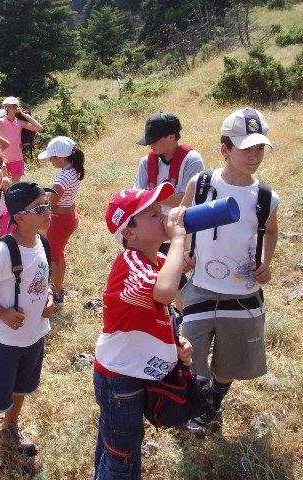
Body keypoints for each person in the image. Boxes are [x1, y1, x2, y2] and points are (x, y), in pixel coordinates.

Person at [179, 108, 280, 437]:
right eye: (246, 148)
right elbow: (182, 222)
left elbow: (271, 231)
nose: (254, 157)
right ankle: (198, 394)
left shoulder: (265, 197)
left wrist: (266, 261)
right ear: (225, 149)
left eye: (260, 149)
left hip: (243, 292)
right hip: (201, 288)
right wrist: (184, 250)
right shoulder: (203, 184)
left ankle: (212, 404)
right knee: (189, 355)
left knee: (230, 361)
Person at [93, 183, 193, 479]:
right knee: (123, 459)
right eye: (152, 214)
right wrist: (177, 241)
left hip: (135, 372)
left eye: (159, 209)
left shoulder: (157, 261)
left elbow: (168, 309)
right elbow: (163, 292)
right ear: (129, 233)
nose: (163, 215)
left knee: (114, 447)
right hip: (120, 380)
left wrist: (177, 342)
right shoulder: (129, 263)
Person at [0, 181, 55, 479]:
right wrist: (1, 312)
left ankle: (10, 429)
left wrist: (49, 296)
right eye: (39, 208)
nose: (47, 211)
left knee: (21, 387)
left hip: (33, 334)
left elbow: (44, 276)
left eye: (47, 205)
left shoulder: (43, 242)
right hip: (5, 340)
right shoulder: (3, 252)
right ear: (19, 218)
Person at [134, 112, 204, 310]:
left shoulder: (192, 160)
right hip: (154, 231)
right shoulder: (146, 162)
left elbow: (186, 200)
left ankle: (184, 317)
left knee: (179, 279)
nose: (150, 145)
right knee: (152, 278)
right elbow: (138, 198)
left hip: (182, 231)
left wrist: (151, 196)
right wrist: (164, 197)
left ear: (172, 137)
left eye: (154, 140)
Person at [38, 136, 85, 305]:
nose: (50, 161)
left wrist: (43, 200)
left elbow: (51, 205)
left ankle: (57, 294)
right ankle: (59, 286)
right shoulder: (73, 170)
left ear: (60, 157)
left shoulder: (62, 179)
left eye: (52, 158)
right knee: (59, 254)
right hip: (70, 216)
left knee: (54, 259)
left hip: (59, 221)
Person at [0, 96, 44, 182]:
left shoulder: (20, 123)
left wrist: (26, 115)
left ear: (15, 109)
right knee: (2, 184)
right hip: (2, 159)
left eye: (9, 107)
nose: (6, 109)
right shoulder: (0, 121)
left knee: (15, 185)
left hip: (17, 158)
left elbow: (40, 128)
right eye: (5, 106)